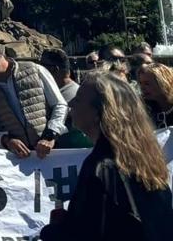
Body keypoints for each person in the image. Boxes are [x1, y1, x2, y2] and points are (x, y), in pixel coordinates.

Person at [39, 70, 173, 240]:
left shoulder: (100, 168)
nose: (71, 102)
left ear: (97, 113)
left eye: (78, 99)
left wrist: (53, 231)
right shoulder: (146, 156)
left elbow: (88, 234)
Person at [0, 40, 67, 159]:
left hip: (50, 152)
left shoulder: (34, 70)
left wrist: (50, 135)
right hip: (17, 160)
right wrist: (6, 141)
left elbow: (59, 105)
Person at [137, 62, 173, 129]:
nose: (142, 87)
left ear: (163, 83)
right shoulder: (142, 107)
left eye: (147, 83)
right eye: (140, 83)